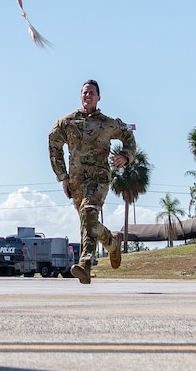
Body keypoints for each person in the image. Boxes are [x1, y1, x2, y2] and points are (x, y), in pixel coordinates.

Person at [47, 79, 135, 285]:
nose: (88, 95)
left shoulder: (108, 122)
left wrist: (125, 156)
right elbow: (53, 143)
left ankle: (85, 264)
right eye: (85, 92)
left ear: (98, 98)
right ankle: (112, 243)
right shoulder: (67, 122)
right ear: (80, 96)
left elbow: (128, 136)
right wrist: (63, 176)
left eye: (92, 93)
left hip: (99, 177)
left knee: (88, 213)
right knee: (88, 221)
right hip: (77, 181)